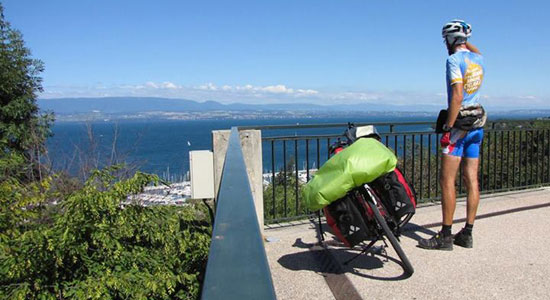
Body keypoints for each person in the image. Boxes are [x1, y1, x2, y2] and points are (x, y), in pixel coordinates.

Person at [419, 20, 485, 250]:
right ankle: (467, 233)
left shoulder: (453, 60)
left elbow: (457, 94)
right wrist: (464, 39)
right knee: (471, 180)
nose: (444, 43)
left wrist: (448, 126)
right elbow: (475, 50)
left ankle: (445, 236)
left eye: (446, 38)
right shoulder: (478, 59)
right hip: (477, 125)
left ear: (451, 39)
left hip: (459, 128)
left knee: (447, 181)